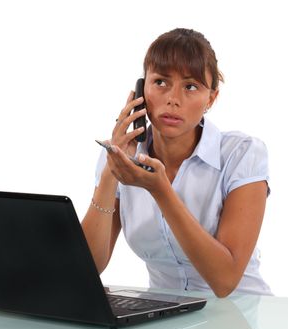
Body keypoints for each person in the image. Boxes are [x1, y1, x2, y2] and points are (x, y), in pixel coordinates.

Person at [81, 28, 272, 297]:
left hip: (240, 315)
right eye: (160, 82)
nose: (173, 99)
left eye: (191, 86)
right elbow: (88, 268)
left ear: (211, 99)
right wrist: (110, 174)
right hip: (166, 321)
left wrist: (162, 191)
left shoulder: (242, 154)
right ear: (141, 90)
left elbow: (225, 280)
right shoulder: (121, 155)